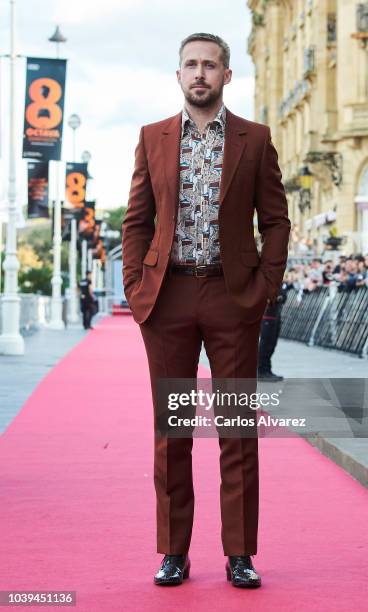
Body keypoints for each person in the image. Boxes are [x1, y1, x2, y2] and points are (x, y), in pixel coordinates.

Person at [122, 32, 290, 588]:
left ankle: (239, 553)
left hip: (232, 295)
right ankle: (174, 552)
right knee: (173, 431)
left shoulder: (256, 138)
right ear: (178, 75)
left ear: (226, 75)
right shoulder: (152, 137)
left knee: (236, 428)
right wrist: (134, 284)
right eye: (191, 65)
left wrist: (265, 284)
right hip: (167, 298)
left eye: (210, 65)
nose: (200, 73)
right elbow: (137, 221)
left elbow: (276, 220)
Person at [257, 281, 288, 382]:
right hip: (267, 315)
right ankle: (261, 371)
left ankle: (267, 370)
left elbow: (283, 295)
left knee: (271, 344)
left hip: (275, 314)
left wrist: (279, 296)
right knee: (266, 344)